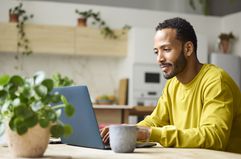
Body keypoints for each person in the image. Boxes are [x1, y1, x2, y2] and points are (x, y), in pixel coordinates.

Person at [101, 17, 241, 153]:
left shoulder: (216, 81)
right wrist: (128, 130)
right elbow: (155, 121)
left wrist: (148, 134)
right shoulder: (172, 84)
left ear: (188, 49)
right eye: (157, 52)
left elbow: (214, 137)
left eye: (166, 49)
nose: (159, 59)